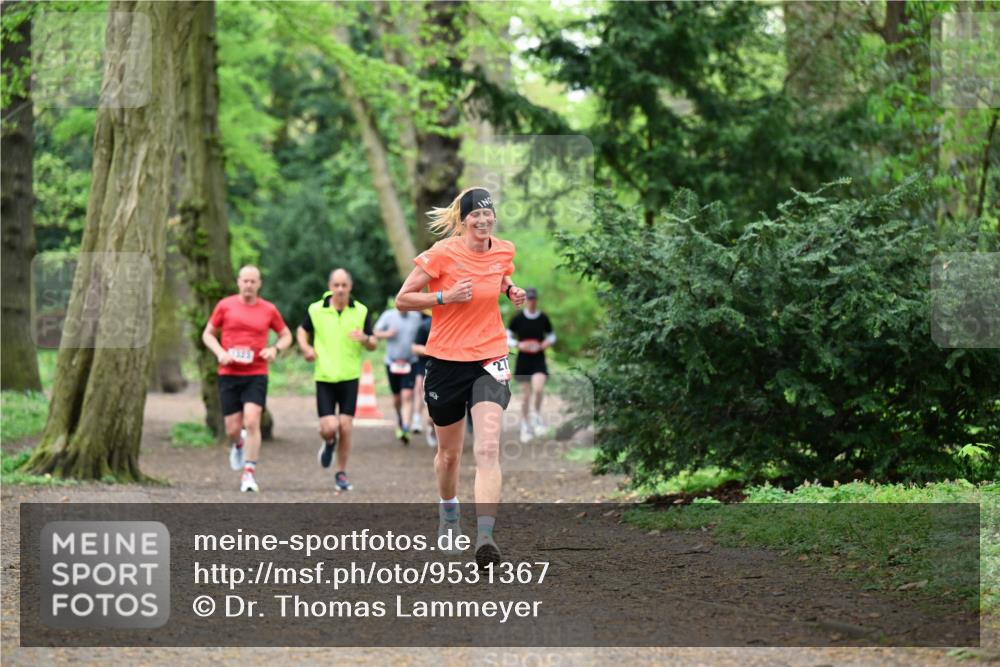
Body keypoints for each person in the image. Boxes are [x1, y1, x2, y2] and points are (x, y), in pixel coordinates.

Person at [396, 186, 526, 569]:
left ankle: (485, 536)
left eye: (489, 215)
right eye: (477, 216)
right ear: (463, 219)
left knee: (486, 449)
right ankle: (449, 511)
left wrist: (511, 290)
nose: (484, 221)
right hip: (445, 361)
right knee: (449, 456)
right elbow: (403, 299)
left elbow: (500, 275)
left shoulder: (504, 250)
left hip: (490, 356)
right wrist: (444, 298)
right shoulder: (441, 254)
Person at [202, 265, 292, 493]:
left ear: (259, 284)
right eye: (245, 281)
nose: (249, 285)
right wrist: (221, 353)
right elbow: (208, 334)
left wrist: (275, 349)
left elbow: (286, 335)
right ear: (238, 282)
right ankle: (239, 443)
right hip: (229, 374)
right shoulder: (225, 306)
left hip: (256, 373)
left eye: (253, 281)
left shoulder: (268, 310)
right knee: (232, 429)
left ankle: (249, 474)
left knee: (252, 421)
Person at [296, 268, 377, 492]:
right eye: (336, 285)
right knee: (330, 427)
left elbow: (373, 343)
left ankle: (341, 472)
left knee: (346, 426)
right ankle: (329, 442)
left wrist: (365, 339)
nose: (340, 289)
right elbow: (301, 331)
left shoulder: (360, 311)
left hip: (350, 375)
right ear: (330, 286)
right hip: (325, 375)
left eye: (344, 285)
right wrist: (306, 348)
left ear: (350, 287)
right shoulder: (316, 310)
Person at [507, 287, 556, 443]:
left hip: (538, 358)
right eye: (529, 299)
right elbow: (507, 336)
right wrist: (518, 345)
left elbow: (552, 335)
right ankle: (525, 424)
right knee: (525, 396)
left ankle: (536, 415)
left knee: (539, 388)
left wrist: (545, 344)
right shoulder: (518, 318)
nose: (532, 302)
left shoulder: (543, 318)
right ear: (525, 300)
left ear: (536, 300)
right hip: (524, 360)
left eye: (534, 299)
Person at [373, 300, 424, 444]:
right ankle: (400, 418)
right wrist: (386, 334)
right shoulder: (388, 316)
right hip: (392, 363)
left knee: (407, 395)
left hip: (410, 362)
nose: (404, 308)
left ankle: (406, 428)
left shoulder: (417, 317)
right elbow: (374, 332)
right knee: (397, 398)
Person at [410, 311, 436, 447]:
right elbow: (414, 347)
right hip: (427, 368)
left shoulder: (458, 324)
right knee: (431, 406)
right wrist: (433, 350)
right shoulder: (426, 326)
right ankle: (423, 422)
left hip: (452, 371)